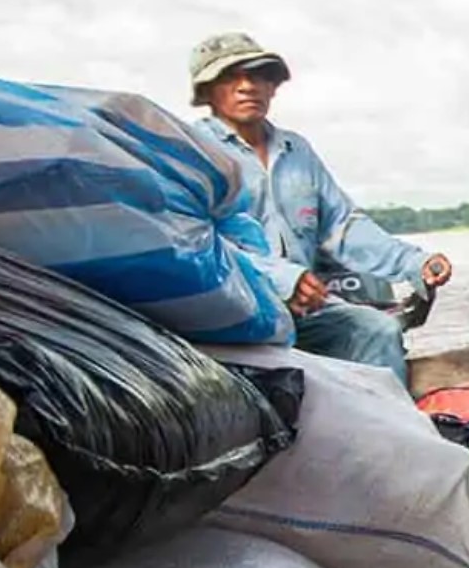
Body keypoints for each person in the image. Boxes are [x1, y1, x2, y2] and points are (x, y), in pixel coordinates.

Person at [190, 31, 452, 386]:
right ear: (206, 91)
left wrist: (413, 262)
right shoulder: (191, 150)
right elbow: (197, 241)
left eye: (258, 75)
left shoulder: (296, 150)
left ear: (273, 86)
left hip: (303, 310)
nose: (247, 86)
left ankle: (390, 436)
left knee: (376, 329)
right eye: (230, 77)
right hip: (231, 315)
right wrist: (283, 279)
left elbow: (342, 226)